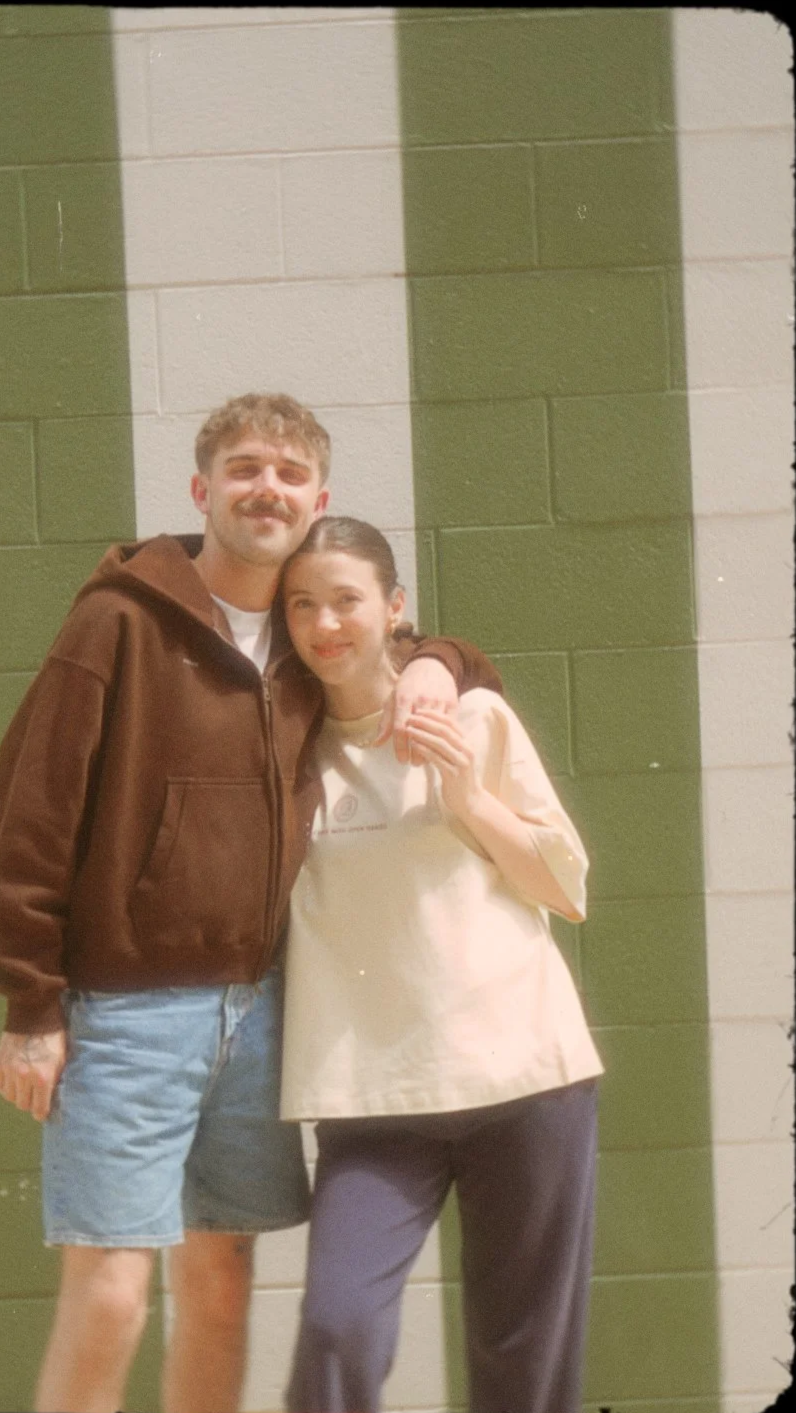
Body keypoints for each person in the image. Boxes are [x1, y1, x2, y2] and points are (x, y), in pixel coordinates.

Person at [0, 394, 501, 1413]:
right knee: (112, 1296)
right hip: (126, 1013)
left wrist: (437, 667)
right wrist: (30, 1003)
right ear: (201, 489)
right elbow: (30, 815)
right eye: (246, 468)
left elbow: (447, 649)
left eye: (290, 474)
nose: (268, 488)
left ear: (318, 501)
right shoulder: (117, 622)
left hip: (259, 1011)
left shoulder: (311, 637)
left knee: (220, 1290)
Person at [278, 516, 604, 1413]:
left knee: (521, 1358)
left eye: (345, 600)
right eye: (301, 604)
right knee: (338, 1323)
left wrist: (466, 798)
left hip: (525, 1075)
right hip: (372, 1096)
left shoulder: (472, 716)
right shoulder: (280, 746)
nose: (324, 624)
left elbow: (565, 888)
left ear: (393, 607)